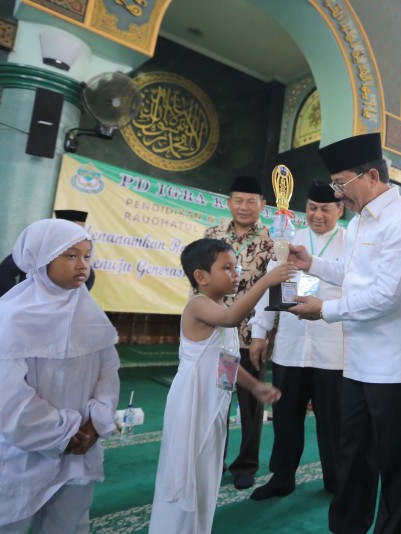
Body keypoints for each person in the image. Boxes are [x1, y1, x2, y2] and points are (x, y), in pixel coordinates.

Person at [287, 132, 401, 533]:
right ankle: (348, 526)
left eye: (341, 184)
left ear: (372, 176)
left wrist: (324, 310)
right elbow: (352, 275)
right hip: (356, 360)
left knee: (394, 458)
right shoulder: (357, 222)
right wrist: (312, 263)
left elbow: (386, 295)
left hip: (393, 362)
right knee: (353, 451)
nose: (338, 194)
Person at [0, 218, 120, 533]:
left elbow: (108, 373)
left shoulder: (91, 315)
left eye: (87, 256)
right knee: (6, 523)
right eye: (70, 255)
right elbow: (5, 396)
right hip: (20, 453)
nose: (82, 265)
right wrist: (61, 433)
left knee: (67, 524)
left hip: (78, 450)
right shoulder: (12, 316)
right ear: (42, 258)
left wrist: (94, 423)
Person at [148, 238, 292, 533]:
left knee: (205, 472)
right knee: (185, 470)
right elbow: (231, 318)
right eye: (227, 268)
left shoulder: (217, 305)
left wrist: (255, 386)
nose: (236, 273)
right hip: (192, 401)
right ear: (201, 276)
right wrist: (266, 281)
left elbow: (224, 361)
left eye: (236, 267)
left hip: (212, 402)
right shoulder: (198, 306)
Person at [247, 181, 347, 501]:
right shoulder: (289, 241)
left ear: (340, 210)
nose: (317, 215)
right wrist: (259, 334)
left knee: (333, 420)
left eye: (325, 209)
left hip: (333, 350)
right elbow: (269, 287)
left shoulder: (351, 243)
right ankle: (282, 478)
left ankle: (337, 480)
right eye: (312, 208)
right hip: (290, 347)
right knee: (286, 417)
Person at [204, 176, 272, 490]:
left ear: (262, 205)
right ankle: (214, 461)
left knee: (251, 405)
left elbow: (274, 290)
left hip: (251, 336)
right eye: (239, 200)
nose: (244, 207)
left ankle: (246, 465)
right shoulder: (212, 235)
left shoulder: (272, 240)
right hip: (216, 333)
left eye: (251, 201)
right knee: (217, 401)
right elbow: (198, 281)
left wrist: (266, 333)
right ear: (229, 202)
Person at [0, 210, 95, 296]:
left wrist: (75, 297)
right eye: (71, 256)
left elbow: (90, 276)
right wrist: (15, 297)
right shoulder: (37, 249)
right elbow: (3, 273)